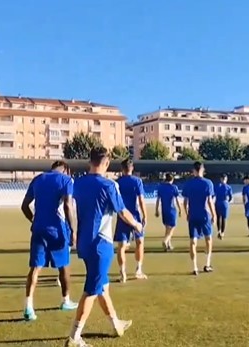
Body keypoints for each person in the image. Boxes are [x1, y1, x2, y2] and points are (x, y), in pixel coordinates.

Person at [65, 146, 140, 347]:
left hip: (84, 242)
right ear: (106, 163)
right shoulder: (109, 185)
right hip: (101, 244)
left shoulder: (77, 184)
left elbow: (70, 208)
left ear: (90, 161)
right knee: (91, 289)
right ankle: (74, 336)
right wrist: (137, 224)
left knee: (102, 285)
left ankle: (116, 324)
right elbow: (123, 212)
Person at [20, 160, 79, 321]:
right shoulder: (66, 180)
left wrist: (34, 220)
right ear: (65, 170)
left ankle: (28, 307)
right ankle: (65, 300)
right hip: (57, 230)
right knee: (64, 266)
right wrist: (73, 230)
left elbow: (24, 206)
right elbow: (67, 205)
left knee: (35, 268)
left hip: (38, 229)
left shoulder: (38, 179)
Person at [114, 159, 148, 282]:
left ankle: (123, 273)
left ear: (122, 169)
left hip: (122, 216)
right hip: (135, 215)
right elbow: (141, 199)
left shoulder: (117, 183)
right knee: (140, 242)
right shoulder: (137, 181)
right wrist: (145, 215)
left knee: (121, 246)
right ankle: (138, 270)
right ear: (132, 168)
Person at [182, 161, 216, 275]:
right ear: (202, 170)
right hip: (205, 215)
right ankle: (207, 264)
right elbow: (209, 201)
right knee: (208, 239)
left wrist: (187, 213)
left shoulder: (188, 184)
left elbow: (185, 202)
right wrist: (214, 214)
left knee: (193, 241)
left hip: (193, 215)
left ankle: (195, 267)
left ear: (194, 171)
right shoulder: (208, 183)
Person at [155, 173, 181, 251]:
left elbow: (158, 200)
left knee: (167, 228)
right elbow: (177, 200)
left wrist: (156, 210)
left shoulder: (160, 187)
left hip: (164, 210)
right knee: (172, 228)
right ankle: (165, 241)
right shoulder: (174, 187)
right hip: (172, 210)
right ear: (172, 180)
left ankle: (168, 245)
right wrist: (180, 209)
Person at [213, 174, 233, 240]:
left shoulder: (217, 186)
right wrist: (228, 201)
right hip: (224, 203)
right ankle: (222, 233)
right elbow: (230, 197)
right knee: (223, 218)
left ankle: (219, 232)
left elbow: (213, 195)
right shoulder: (228, 187)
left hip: (218, 203)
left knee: (219, 218)